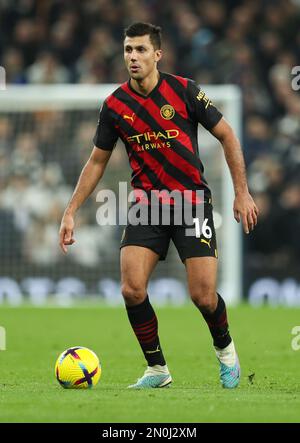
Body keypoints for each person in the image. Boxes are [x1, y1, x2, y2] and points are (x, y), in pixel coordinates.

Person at [59, 22, 258, 389]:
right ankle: (157, 370)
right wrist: (71, 210)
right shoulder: (115, 105)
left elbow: (228, 136)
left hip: (192, 202)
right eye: (128, 50)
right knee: (131, 288)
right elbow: (97, 161)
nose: (132, 57)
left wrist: (242, 192)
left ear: (157, 54)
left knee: (202, 295)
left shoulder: (184, 91)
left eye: (140, 50)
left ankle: (226, 350)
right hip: (146, 204)